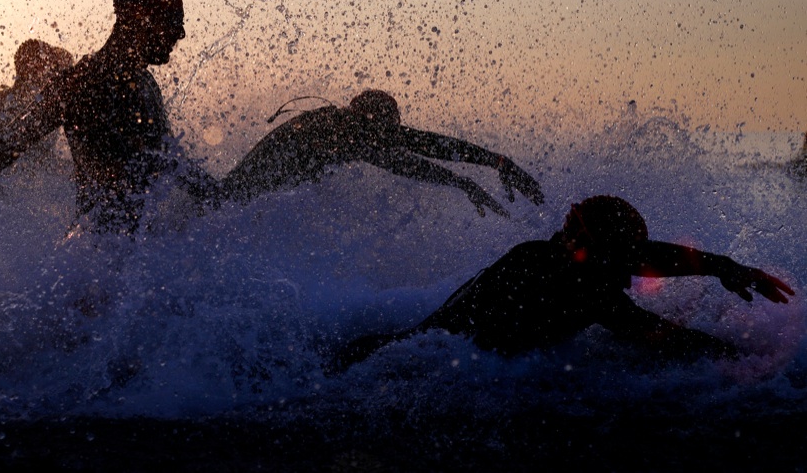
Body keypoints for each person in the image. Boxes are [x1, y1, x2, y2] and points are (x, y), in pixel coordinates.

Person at [331, 195, 794, 370]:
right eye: (617, 259)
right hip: (424, 363)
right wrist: (753, 361)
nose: (632, 269)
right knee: (394, 349)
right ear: (588, 251)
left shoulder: (568, 254)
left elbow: (646, 255)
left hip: (428, 348)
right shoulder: (565, 279)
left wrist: (725, 266)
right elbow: (657, 335)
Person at [0, 0, 195, 233]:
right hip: (96, 257)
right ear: (140, 19)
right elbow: (5, 147)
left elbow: (172, 164)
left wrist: (219, 196)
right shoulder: (80, 84)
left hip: (147, 254)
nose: (180, 34)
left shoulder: (146, 84)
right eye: (172, 21)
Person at [213, 89, 543, 217]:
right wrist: (461, 182)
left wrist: (497, 161)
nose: (392, 139)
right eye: (387, 133)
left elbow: (426, 143)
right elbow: (402, 161)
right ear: (372, 124)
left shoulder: (352, 125)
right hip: (231, 204)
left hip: (243, 204)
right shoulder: (339, 129)